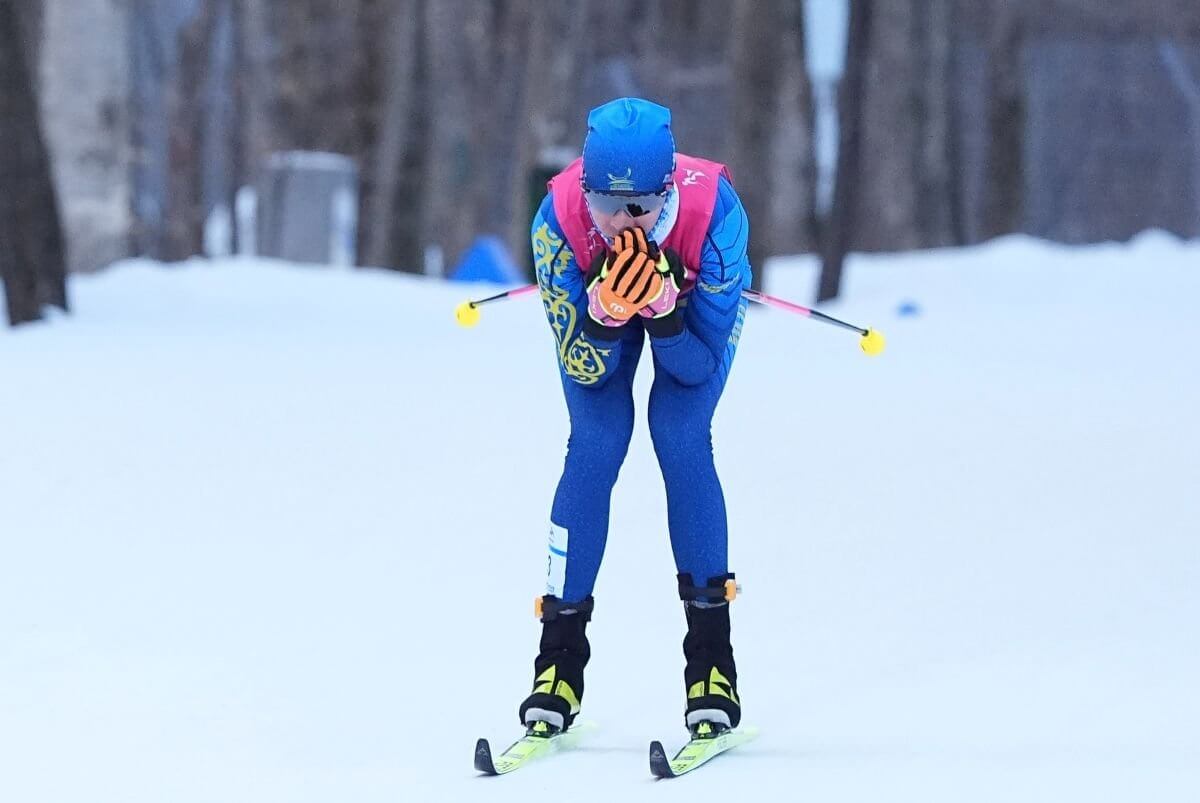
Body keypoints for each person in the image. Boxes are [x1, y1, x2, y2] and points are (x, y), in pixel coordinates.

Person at [521, 97, 751, 737]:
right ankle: (557, 665)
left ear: (669, 190)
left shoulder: (716, 220)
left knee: (679, 434)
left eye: (643, 210)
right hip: (604, 309)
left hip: (690, 320)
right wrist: (601, 317)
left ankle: (713, 662)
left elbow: (695, 371)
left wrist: (667, 313)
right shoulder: (559, 223)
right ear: (585, 189)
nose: (625, 226)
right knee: (596, 442)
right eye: (607, 207)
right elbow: (582, 365)